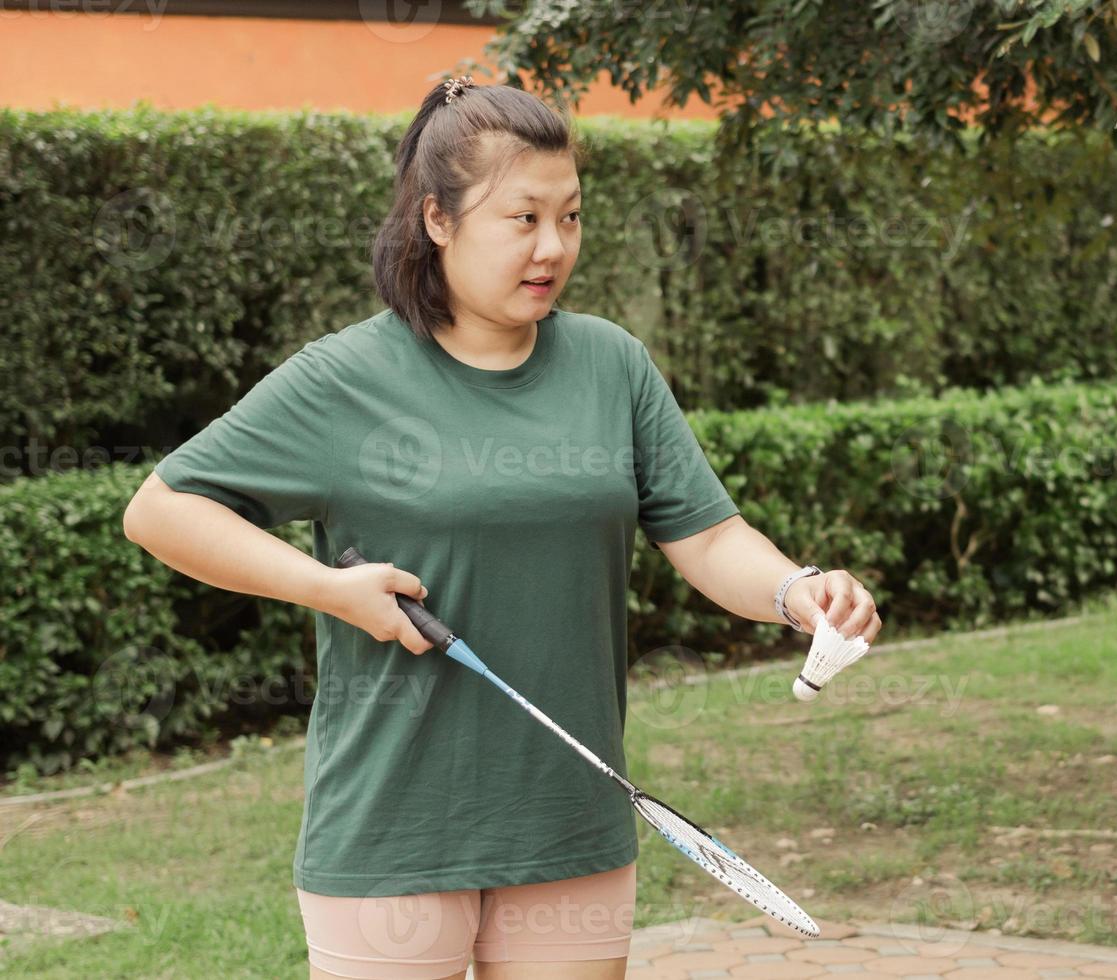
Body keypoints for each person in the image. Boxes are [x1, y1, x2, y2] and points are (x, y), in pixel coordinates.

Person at [122, 76, 882, 980]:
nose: (552, 247)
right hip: (393, 829)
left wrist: (797, 590)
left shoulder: (611, 366)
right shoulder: (343, 378)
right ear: (437, 219)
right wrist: (327, 589)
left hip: (571, 818)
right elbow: (162, 509)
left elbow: (709, 538)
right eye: (522, 218)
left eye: (570, 217)